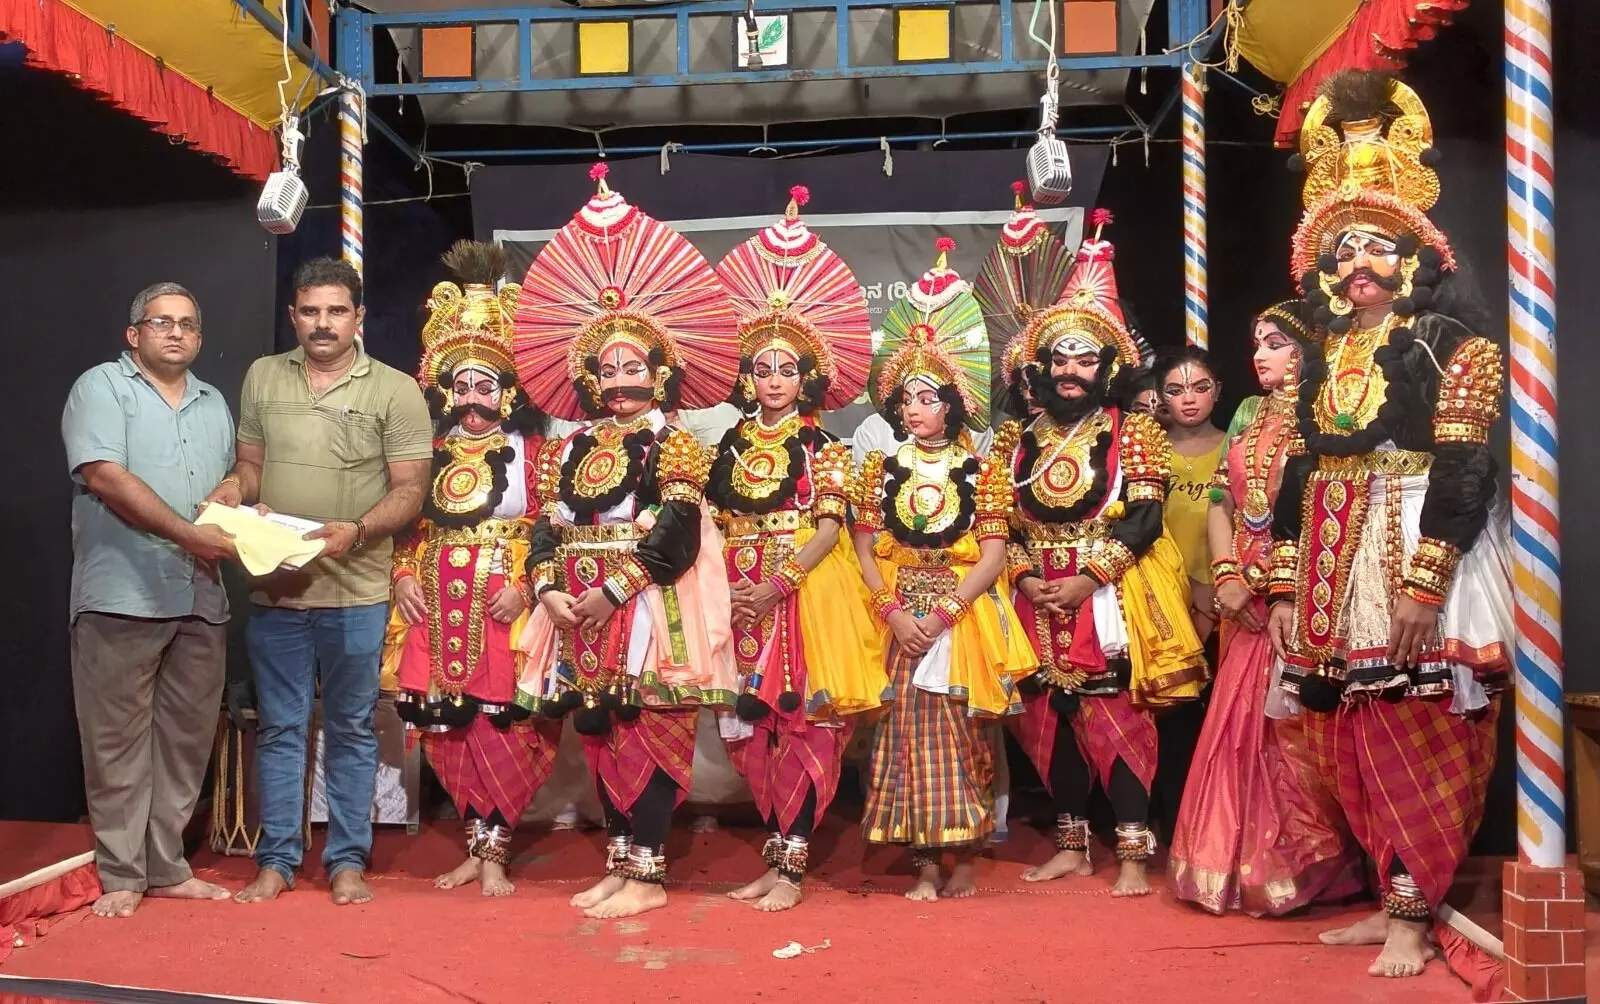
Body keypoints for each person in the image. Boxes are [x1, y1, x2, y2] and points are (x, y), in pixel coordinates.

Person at [1264, 70, 1512, 978]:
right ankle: (1389, 895)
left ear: (1415, 258)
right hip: (1330, 554)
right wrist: (1284, 583)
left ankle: (1413, 913)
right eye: (1341, 248)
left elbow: (1467, 469)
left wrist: (1425, 580)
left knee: (1418, 728)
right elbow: (1298, 469)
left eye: (1376, 244)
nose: (1355, 262)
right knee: (1344, 737)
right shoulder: (1319, 353)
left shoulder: (1457, 347)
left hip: (1416, 546)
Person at [511, 163, 741, 920]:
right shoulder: (572, 445)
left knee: (651, 732)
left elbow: (676, 533)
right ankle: (619, 862)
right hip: (576, 610)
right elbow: (545, 524)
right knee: (599, 730)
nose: (617, 377)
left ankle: (649, 874)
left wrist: (613, 592)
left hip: (648, 608)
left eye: (631, 364)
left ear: (658, 371)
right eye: (606, 366)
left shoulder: (676, 444)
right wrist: (549, 588)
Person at [995, 210, 1207, 897]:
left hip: (1108, 594)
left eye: (1085, 359)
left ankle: (1135, 852)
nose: (1070, 371)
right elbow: (1002, 522)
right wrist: (1025, 578)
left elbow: (1145, 519)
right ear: (1043, 366)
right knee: (1047, 717)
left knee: (1115, 718)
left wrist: (1088, 579)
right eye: (1060, 359)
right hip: (1034, 593)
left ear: (1108, 367)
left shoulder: (1133, 430)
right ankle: (1071, 845)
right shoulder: (1019, 438)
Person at [214, 257, 434, 906]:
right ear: (293, 316)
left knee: (351, 728)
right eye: (310, 311)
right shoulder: (263, 376)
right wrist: (233, 490)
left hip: (357, 587)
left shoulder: (395, 389)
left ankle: (346, 861)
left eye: (336, 311)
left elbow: (411, 491)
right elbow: (250, 467)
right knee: (280, 727)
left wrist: (355, 531)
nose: (322, 323)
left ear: (358, 317)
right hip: (277, 587)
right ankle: (277, 860)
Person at [709, 186, 887, 911]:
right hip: (735, 589)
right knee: (748, 731)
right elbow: (714, 518)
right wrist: (729, 586)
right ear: (747, 375)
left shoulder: (826, 446)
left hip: (804, 593)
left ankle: (793, 868)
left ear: (805, 377)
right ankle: (774, 853)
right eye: (763, 368)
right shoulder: (728, 442)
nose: (774, 380)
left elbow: (830, 527)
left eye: (786, 370)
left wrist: (777, 583)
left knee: (806, 728)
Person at [850, 237, 1036, 901]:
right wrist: (894, 613)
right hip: (899, 616)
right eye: (905, 398)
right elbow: (864, 550)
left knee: (963, 736)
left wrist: (945, 613)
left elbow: (993, 555)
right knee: (903, 736)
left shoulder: (982, 471)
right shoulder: (880, 468)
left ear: (953, 403)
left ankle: (964, 856)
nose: (913, 409)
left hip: (960, 617)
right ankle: (924, 863)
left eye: (926, 397)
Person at [1167, 301, 1363, 916]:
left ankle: (1307, 865)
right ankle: (1231, 862)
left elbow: (1322, 506)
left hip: (1306, 584)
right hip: (1240, 590)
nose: (1261, 355)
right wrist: (1227, 576)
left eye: (1276, 343)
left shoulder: (1328, 411)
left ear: (1307, 349)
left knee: (1292, 729)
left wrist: (1274, 586)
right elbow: (1221, 502)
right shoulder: (1250, 412)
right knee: (1237, 722)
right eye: (1257, 342)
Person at [382, 241, 562, 896]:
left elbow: (553, 529)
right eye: (460, 386)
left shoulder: (536, 451)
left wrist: (527, 588)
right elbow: (408, 525)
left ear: (509, 392)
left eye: (485, 386)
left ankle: (496, 851)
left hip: (502, 604)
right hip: (435, 602)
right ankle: (474, 842)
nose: (472, 398)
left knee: (506, 726)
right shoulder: (426, 451)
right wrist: (403, 575)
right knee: (446, 730)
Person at [62, 283, 239, 918]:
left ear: (199, 337)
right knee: (115, 743)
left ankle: (166, 868)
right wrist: (190, 534)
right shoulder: (101, 387)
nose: (176, 332)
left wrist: (236, 490)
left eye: (188, 324)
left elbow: (230, 481)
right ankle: (121, 874)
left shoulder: (213, 402)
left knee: (185, 743)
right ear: (133, 334)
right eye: (162, 322)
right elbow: (105, 476)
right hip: (122, 594)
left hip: (201, 595)